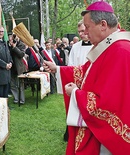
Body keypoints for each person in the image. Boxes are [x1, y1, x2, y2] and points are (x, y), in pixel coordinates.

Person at [43, 1, 130, 154]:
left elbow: (109, 104)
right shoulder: (108, 46)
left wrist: (76, 93)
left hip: (106, 140)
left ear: (103, 24)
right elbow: (86, 72)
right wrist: (57, 69)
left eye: (88, 27)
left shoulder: (120, 51)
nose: (85, 33)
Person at [63, 20, 93, 142]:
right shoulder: (75, 47)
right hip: (77, 80)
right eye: (79, 32)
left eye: (83, 31)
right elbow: (71, 65)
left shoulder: (96, 45)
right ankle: (71, 132)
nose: (81, 34)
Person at [8, 34, 26, 104]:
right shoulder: (7, 45)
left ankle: (22, 100)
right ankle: (16, 98)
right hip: (11, 67)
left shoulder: (21, 45)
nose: (11, 41)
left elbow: (21, 54)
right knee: (12, 84)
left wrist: (14, 47)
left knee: (20, 85)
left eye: (12, 39)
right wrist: (10, 46)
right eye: (10, 40)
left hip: (19, 68)